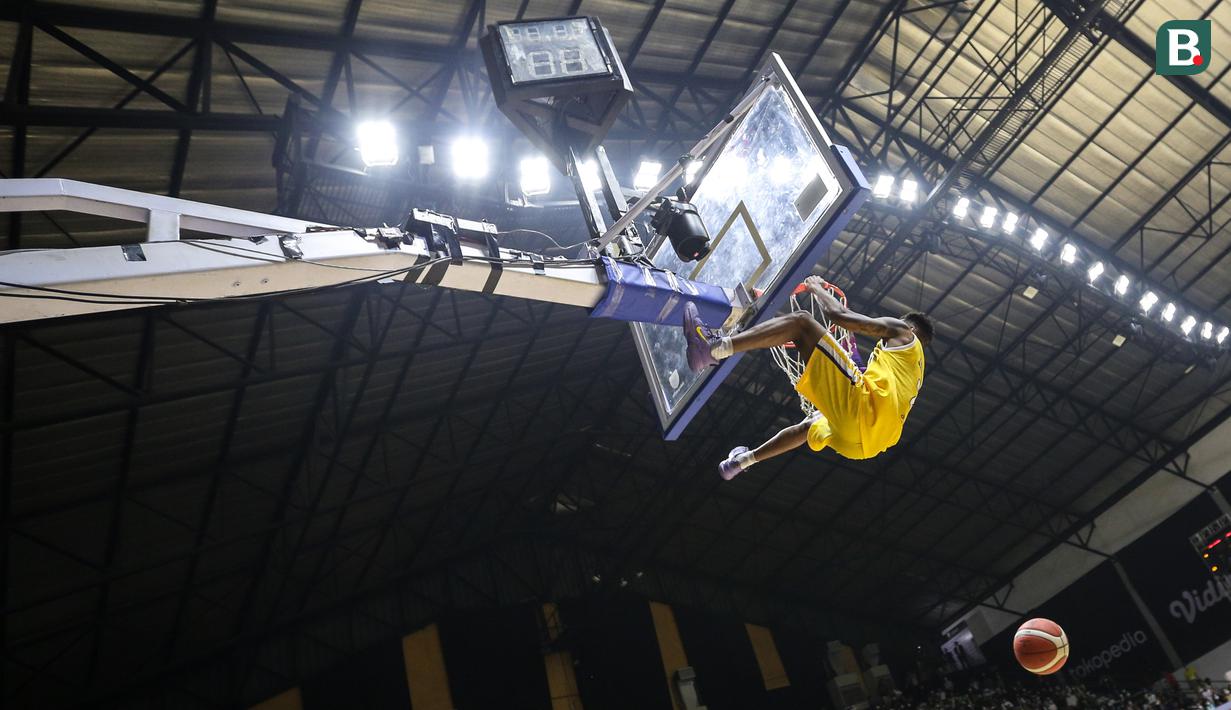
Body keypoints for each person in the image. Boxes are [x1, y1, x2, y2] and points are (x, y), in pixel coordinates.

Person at [684, 275, 933, 480]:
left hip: (863, 412)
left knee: (801, 322)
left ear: (910, 329)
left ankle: (712, 349)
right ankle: (740, 462)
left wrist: (816, 288)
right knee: (810, 424)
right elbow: (866, 379)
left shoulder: (904, 334)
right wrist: (853, 355)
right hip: (865, 445)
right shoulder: (912, 373)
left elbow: (840, 316)